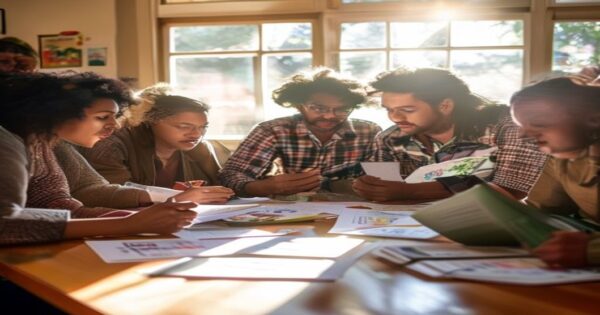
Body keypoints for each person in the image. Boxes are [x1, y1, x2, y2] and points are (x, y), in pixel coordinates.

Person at [0, 71, 197, 244]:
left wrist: (133, 218)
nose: (116, 125)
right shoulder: (6, 142)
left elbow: (56, 203)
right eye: (103, 117)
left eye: (115, 116)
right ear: (58, 112)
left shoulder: (39, 142)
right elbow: (4, 224)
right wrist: (126, 224)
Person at [353, 67, 547, 201]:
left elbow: (512, 189)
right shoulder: (389, 139)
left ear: (445, 106)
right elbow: (385, 189)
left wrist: (410, 191)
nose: (395, 117)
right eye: (388, 109)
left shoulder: (508, 126)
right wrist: (372, 188)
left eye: (408, 110)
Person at [219, 67, 381, 197]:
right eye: (318, 108)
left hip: (353, 210)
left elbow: (384, 179)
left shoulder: (370, 131)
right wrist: (261, 187)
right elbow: (231, 175)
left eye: (342, 110)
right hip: (290, 210)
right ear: (298, 105)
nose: (329, 115)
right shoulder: (273, 130)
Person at [79, 83, 234, 203]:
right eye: (184, 126)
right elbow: (110, 195)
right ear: (152, 121)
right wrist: (177, 196)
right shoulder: (111, 145)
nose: (197, 134)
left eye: (202, 128)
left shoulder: (200, 148)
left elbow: (223, 188)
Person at [510, 75, 600, 268]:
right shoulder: (563, 158)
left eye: (538, 123)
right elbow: (541, 210)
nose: (523, 135)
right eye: (521, 126)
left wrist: (591, 250)